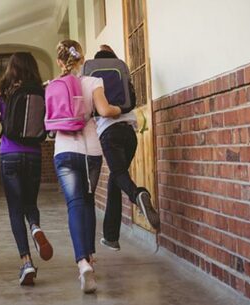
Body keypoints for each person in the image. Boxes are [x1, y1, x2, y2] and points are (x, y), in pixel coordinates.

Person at [52, 40, 122, 293]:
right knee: (89, 201)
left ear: (60, 61)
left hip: (64, 150)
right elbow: (104, 110)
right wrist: (117, 108)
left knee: (75, 205)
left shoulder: (53, 85)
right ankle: (90, 258)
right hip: (90, 151)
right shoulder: (93, 83)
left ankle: (82, 262)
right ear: (82, 60)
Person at [0, 52, 53, 286]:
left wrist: (1, 116)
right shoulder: (41, 91)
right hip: (33, 154)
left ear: (10, 69)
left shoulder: (3, 91)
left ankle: (26, 262)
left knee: (15, 208)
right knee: (30, 203)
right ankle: (35, 227)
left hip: (9, 155)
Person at [93, 44, 160, 252]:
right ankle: (111, 236)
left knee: (119, 174)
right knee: (116, 179)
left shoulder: (93, 80)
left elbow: (91, 110)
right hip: (129, 133)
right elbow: (132, 103)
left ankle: (138, 194)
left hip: (109, 133)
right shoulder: (123, 75)